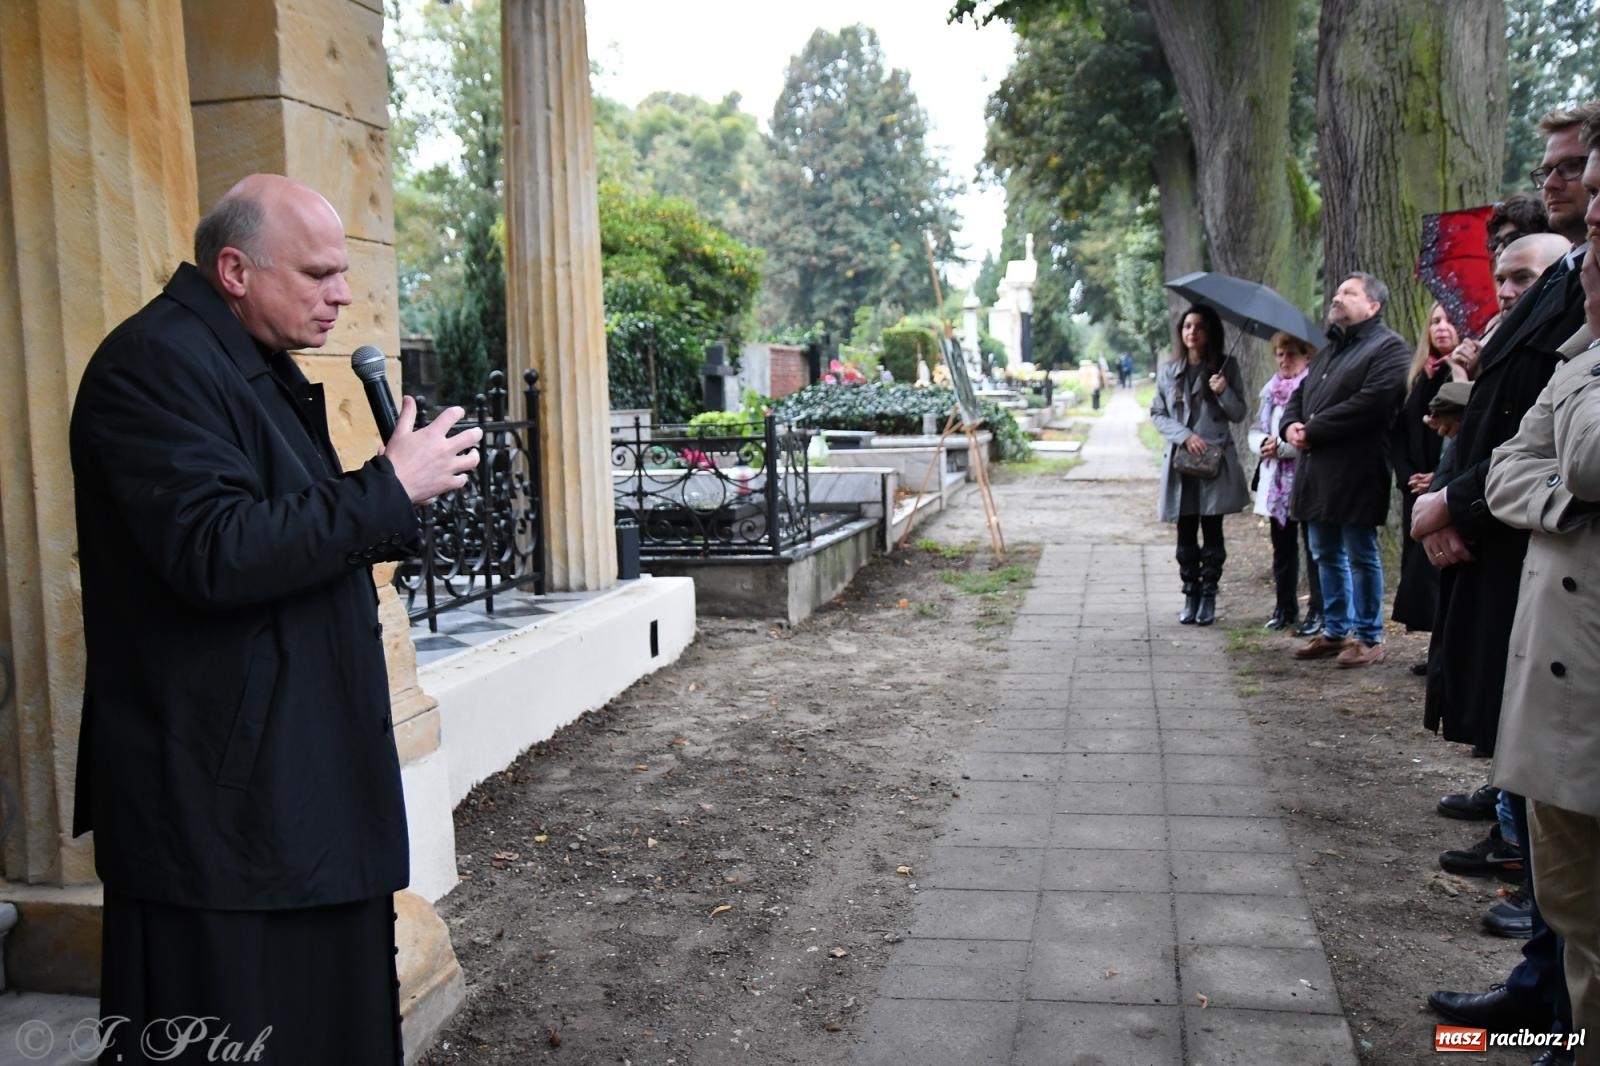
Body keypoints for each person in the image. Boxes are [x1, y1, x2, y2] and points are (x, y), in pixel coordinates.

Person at [70, 174, 483, 1063]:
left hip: (289, 793)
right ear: (235, 270)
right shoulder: (154, 364)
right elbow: (213, 550)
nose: (342, 295)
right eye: (318, 274)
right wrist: (386, 488)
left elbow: (285, 529)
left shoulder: (244, 361)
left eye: (342, 274)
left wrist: (390, 492)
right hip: (221, 809)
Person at [1421, 103, 1597, 1064]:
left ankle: (1562, 1018)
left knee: (1571, 836)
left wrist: (1466, 502)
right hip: (1526, 570)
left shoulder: (1584, 303)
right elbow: (1526, 442)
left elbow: (1579, 455)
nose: (1567, 185)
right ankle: (1541, 993)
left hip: (1554, 583)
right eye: (1560, 170)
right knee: (1547, 825)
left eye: (1581, 170)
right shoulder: (1572, 287)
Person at [1484, 140, 1600, 1057]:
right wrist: (1564, 502)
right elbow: (1508, 470)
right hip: (1557, 690)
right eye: (1586, 194)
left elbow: (1590, 458)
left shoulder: (1583, 351)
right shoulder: (1576, 354)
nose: (1589, 215)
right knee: (1572, 911)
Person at [1280, 272, 1411, 667]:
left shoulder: (1389, 348)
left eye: (1349, 293)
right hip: (1316, 470)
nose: (1337, 297)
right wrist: (1291, 425)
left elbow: (1375, 402)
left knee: (1360, 554)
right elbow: (1299, 395)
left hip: (1357, 470)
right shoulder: (1329, 350)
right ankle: (1336, 631)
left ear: (1373, 306)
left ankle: (1368, 636)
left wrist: (1313, 429)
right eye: (1337, 292)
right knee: (1324, 552)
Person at [1150, 303, 1250, 626]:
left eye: (1199, 326)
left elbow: (1239, 413)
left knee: (1212, 529)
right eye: (1187, 326)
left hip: (1213, 463)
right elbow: (1158, 413)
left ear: (1211, 333)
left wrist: (1223, 391)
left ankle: (1208, 596)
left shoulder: (1226, 366)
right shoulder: (1169, 370)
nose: (1192, 332)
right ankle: (1190, 594)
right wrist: (1184, 436)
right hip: (1181, 464)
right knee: (1185, 531)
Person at [1389, 303, 1459, 648]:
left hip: (1445, 485)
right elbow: (1399, 433)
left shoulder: (1462, 374)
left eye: (1449, 320)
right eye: (1435, 321)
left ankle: (1445, 649)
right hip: (1415, 489)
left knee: (1442, 568)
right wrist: (1408, 476)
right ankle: (1433, 648)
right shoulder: (1419, 377)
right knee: (1419, 569)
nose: (1441, 327)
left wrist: (1438, 476)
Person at [1248, 331, 1322, 633]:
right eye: (1280, 354)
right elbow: (1256, 428)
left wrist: (1281, 447)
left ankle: (1317, 610)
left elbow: (1309, 432)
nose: (1284, 360)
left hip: (1305, 478)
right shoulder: (1270, 390)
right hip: (1275, 484)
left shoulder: (1311, 388)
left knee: (1314, 547)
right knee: (1282, 547)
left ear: (1306, 356)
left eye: (1291, 354)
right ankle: (1284, 607)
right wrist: (1263, 444)